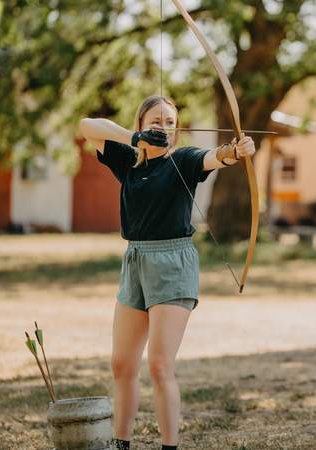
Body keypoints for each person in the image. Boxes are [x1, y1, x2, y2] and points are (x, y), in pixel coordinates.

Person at [78, 95, 255, 450]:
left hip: (173, 263)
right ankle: (121, 443)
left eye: (170, 122)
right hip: (135, 260)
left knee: (159, 365)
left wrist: (236, 151)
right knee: (121, 363)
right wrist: (132, 138)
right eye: (155, 121)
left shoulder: (184, 159)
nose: (163, 127)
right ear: (141, 124)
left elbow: (217, 156)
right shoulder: (127, 159)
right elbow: (86, 126)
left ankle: (169, 446)